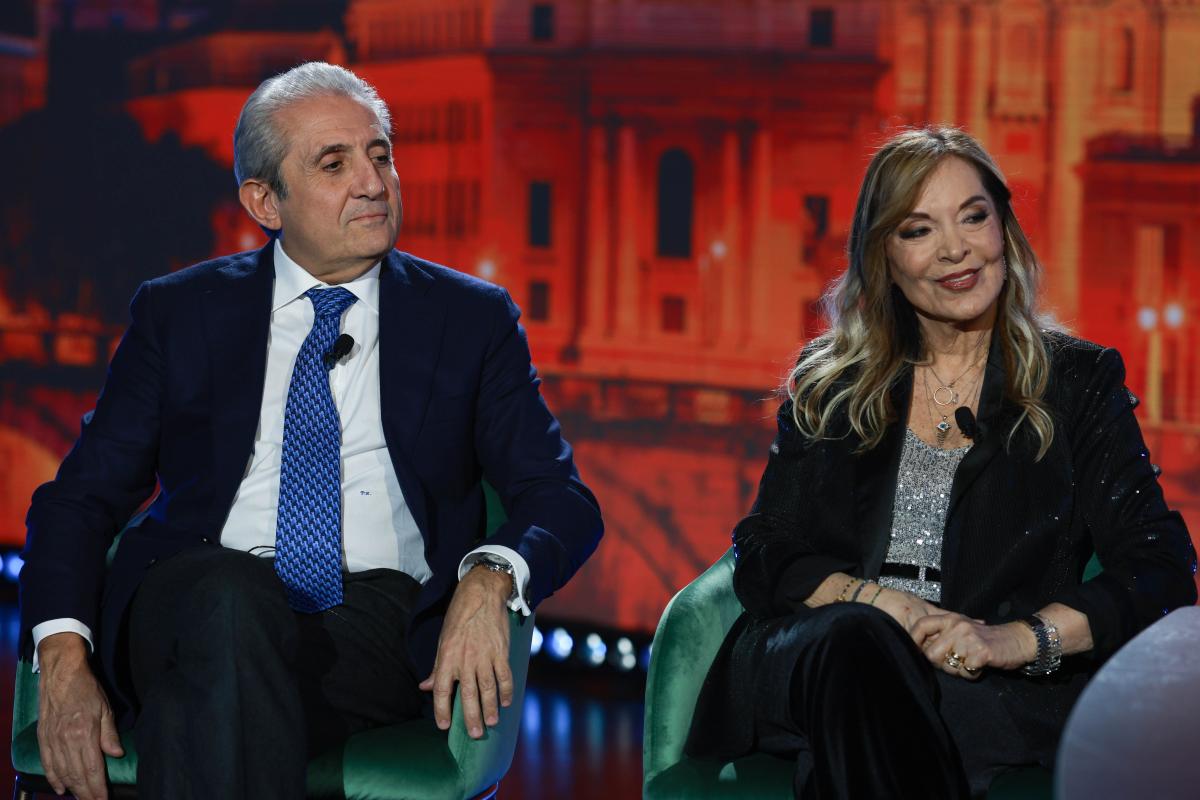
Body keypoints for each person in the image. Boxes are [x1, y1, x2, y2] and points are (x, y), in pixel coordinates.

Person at [20, 62, 603, 800]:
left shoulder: (470, 320)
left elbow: (560, 498)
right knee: (229, 600)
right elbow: (79, 499)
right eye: (335, 163)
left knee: (204, 700)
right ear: (266, 201)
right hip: (193, 596)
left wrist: (492, 574)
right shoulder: (181, 313)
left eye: (381, 155)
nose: (373, 182)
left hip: (369, 625)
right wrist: (62, 653)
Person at [685, 126, 1196, 799]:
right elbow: (764, 546)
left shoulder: (1077, 382)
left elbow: (1159, 567)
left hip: (979, 682)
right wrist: (881, 607)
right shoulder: (834, 382)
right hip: (819, 655)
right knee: (857, 648)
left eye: (973, 217)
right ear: (885, 257)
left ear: (1003, 229)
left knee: (883, 717)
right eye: (918, 230)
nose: (955, 248)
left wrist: (1013, 640)